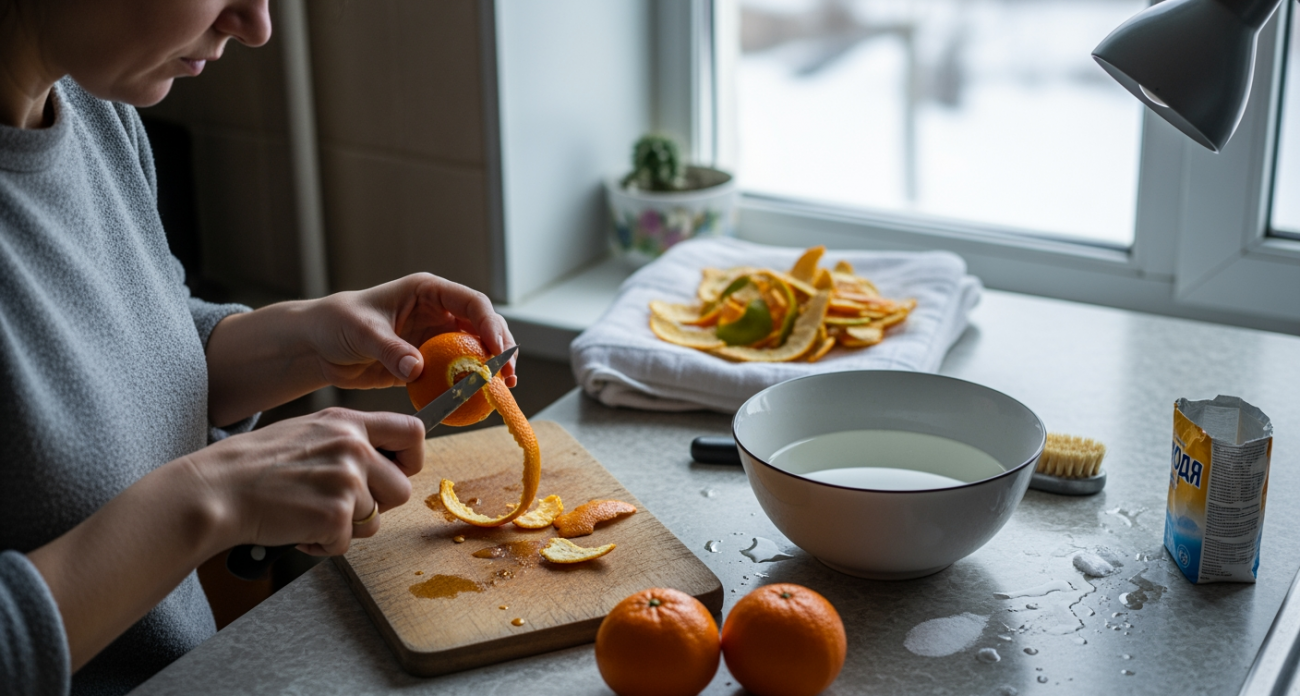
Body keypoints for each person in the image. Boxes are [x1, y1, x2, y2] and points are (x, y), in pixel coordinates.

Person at [0, 1, 518, 694]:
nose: (256, 23)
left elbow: (111, 363)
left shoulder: (97, 113)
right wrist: (212, 501)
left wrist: (306, 341)